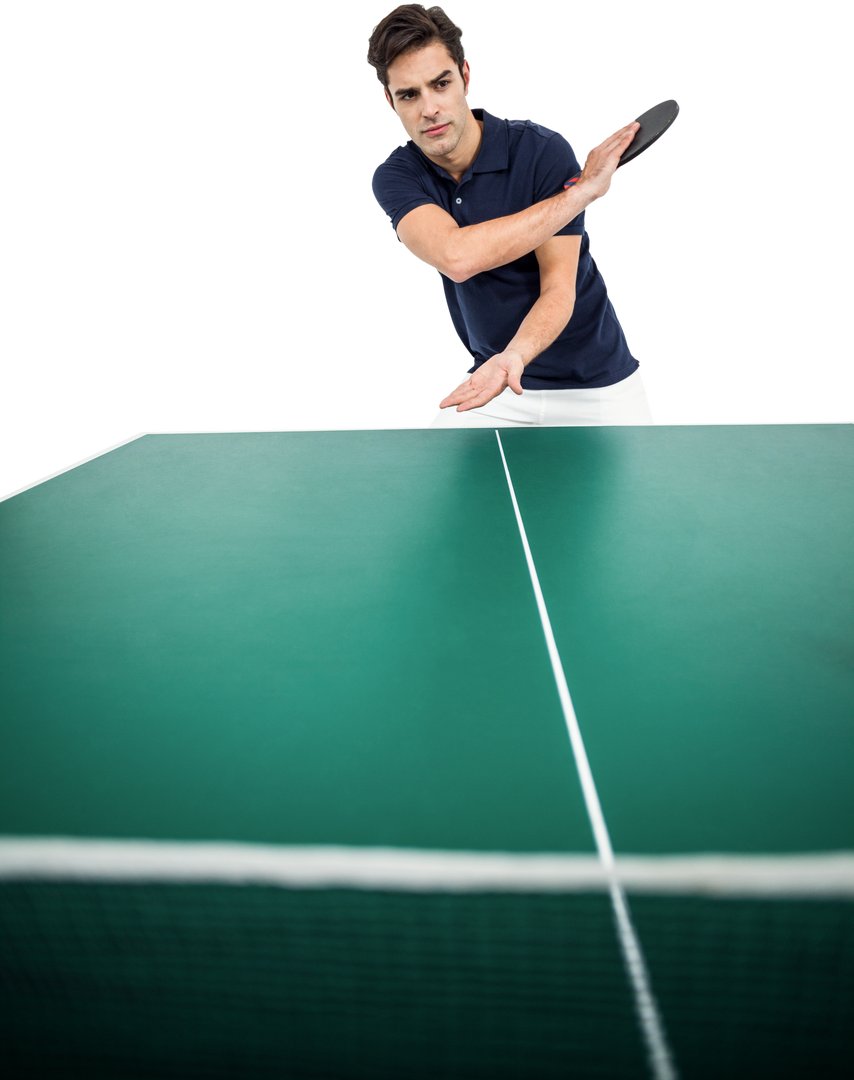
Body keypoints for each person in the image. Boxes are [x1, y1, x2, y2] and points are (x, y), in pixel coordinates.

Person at [366, 3, 657, 427]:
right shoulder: (396, 177)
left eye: (440, 84)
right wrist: (582, 195)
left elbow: (559, 288)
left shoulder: (542, 150)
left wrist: (514, 356)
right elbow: (456, 257)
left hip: (598, 389)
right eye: (409, 94)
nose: (429, 108)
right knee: (426, 491)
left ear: (467, 76)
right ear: (389, 101)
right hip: (492, 387)